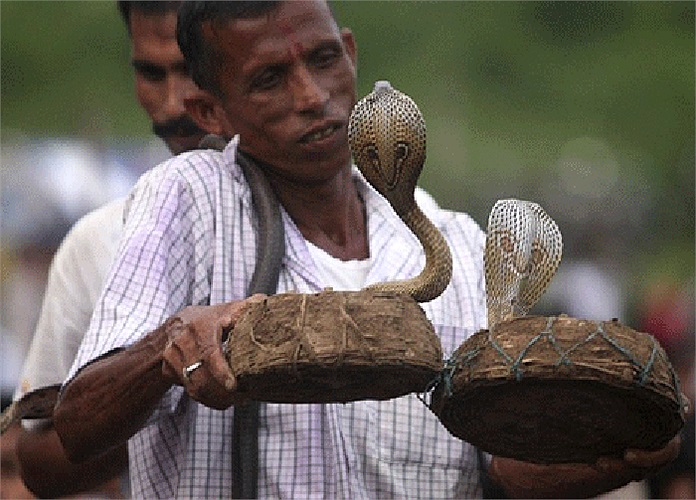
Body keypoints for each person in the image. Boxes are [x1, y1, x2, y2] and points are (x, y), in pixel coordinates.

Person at [54, 1, 680, 498]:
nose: (311, 96)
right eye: (270, 78)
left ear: (350, 52)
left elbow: (494, 473)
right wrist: (171, 347)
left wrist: (590, 465)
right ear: (209, 110)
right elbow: (76, 426)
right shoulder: (186, 199)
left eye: (323, 59)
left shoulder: (459, 244)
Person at [12, 1, 208, 497]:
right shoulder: (100, 243)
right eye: (150, 73)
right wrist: (147, 393)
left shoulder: (393, 230)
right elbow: (37, 459)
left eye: (191, 71)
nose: (170, 106)